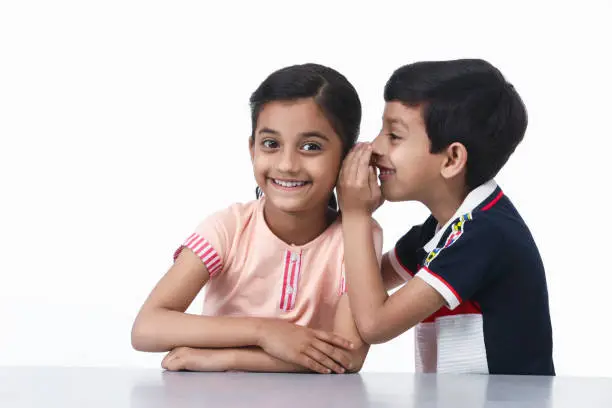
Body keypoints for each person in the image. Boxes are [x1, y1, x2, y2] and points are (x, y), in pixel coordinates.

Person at [131, 63, 383, 374]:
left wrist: (227, 358)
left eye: (311, 147)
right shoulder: (229, 228)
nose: (287, 164)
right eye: (271, 144)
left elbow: (348, 357)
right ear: (252, 149)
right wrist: (263, 332)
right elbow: (147, 327)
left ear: (347, 158)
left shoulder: (357, 237)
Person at [337, 59, 555, 375]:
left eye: (394, 135)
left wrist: (355, 214)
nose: (374, 147)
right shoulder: (439, 230)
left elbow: (374, 323)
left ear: (452, 159)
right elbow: (360, 284)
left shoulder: (483, 235)